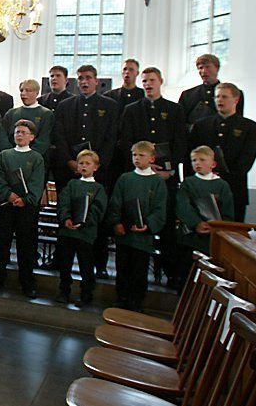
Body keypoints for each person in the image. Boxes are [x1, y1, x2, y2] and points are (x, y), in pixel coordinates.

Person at [117, 67, 187, 287]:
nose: (148, 84)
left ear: (161, 82)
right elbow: (126, 142)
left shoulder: (175, 110)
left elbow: (181, 143)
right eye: (145, 81)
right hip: (137, 177)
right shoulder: (131, 110)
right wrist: (144, 168)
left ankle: (170, 274)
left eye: (152, 80)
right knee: (134, 224)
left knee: (166, 227)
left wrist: (169, 171)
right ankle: (131, 278)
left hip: (166, 177)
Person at [53, 64, 119, 278]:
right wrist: (70, 162)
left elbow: (111, 139)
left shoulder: (109, 106)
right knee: (66, 216)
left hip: (98, 175)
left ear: (96, 81)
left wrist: (95, 166)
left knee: (96, 219)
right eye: (80, 78)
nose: (84, 81)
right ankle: (61, 262)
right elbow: (60, 137)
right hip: (70, 171)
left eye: (88, 78)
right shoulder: (65, 106)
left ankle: (99, 265)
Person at [0, 120, 46, 298]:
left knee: (26, 245)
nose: (19, 135)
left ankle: (27, 283)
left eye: (23, 132)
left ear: (32, 137)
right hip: (7, 206)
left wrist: (26, 199)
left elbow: (37, 183)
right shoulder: (4, 156)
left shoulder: (36, 158)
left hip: (26, 208)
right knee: (2, 243)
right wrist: (9, 195)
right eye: (17, 132)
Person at [106, 141, 167, 312]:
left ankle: (136, 301)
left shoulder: (157, 182)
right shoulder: (125, 178)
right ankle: (121, 298)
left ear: (151, 158)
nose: (137, 158)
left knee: (139, 270)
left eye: (141, 155)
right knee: (122, 268)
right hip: (124, 234)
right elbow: (115, 202)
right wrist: (116, 222)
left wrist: (148, 225)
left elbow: (159, 208)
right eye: (134, 155)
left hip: (143, 236)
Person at [188, 82, 256, 221]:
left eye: (224, 97)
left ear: (236, 100)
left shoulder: (249, 127)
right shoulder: (201, 125)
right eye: (217, 97)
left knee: (232, 233)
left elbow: (247, 158)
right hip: (203, 188)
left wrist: (223, 180)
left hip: (234, 189)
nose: (220, 100)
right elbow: (192, 154)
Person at [54, 150, 108, 307]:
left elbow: (98, 209)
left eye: (88, 163)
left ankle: (86, 294)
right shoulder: (72, 184)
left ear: (95, 167)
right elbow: (63, 203)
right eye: (81, 163)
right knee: (65, 263)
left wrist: (85, 222)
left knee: (86, 265)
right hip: (68, 231)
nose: (84, 166)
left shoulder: (98, 188)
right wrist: (66, 218)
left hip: (85, 233)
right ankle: (64, 291)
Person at [174, 146, 233, 281]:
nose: (197, 163)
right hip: (190, 236)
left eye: (202, 160)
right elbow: (182, 206)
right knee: (187, 273)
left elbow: (228, 211)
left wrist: (216, 226)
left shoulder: (222, 185)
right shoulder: (188, 183)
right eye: (194, 160)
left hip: (213, 237)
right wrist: (196, 223)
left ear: (213, 164)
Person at [178, 53, 245, 128]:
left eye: (207, 67)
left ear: (217, 68)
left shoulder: (234, 93)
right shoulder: (187, 95)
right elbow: (180, 123)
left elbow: (238, 121)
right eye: (200, 68)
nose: (203, 71)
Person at [0, 79, 54, 158]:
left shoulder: (46, 114)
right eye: (22, 90)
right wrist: (10, 153)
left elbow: (44, 140)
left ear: (36, 93)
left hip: (34, 159)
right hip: (10, 157)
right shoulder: (11, 113)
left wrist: (28, 155)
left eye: (28, 91)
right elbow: (2, 135)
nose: (23, 93)